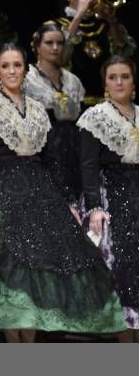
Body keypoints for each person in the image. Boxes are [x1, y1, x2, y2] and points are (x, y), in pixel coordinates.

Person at [0, 43, 126, 342]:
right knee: (14, 269)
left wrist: (67, 201)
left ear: (25, 69)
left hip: (40, 191)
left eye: (17, 65)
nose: (12, 71)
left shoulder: (38, 109)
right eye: (5, 66)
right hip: (6, 189)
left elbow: (52, 160)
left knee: (45, 269)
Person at [78, 55, 139, 342]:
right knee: (122, 269)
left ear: (133, 81)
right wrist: (94, 207)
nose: (119, 82)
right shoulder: (96, 116)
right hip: (110, 196)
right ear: (104, 82)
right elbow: (88, 165)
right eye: (113, 77)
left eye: (125, 76)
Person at [24, 21, 86, 201]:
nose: (55, 47)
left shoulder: (73, 80)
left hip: (75, 149)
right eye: (49, 43)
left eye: (60, 43)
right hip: (45, 151)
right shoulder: (28, 79)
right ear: (37, 46)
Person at [57, 0, 134, 104]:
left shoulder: (105, 24)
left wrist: (112, 20)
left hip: (108, 100)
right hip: (73, 102)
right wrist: (79, 14)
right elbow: (59, 57)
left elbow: (125, 53)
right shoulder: (57, 24)